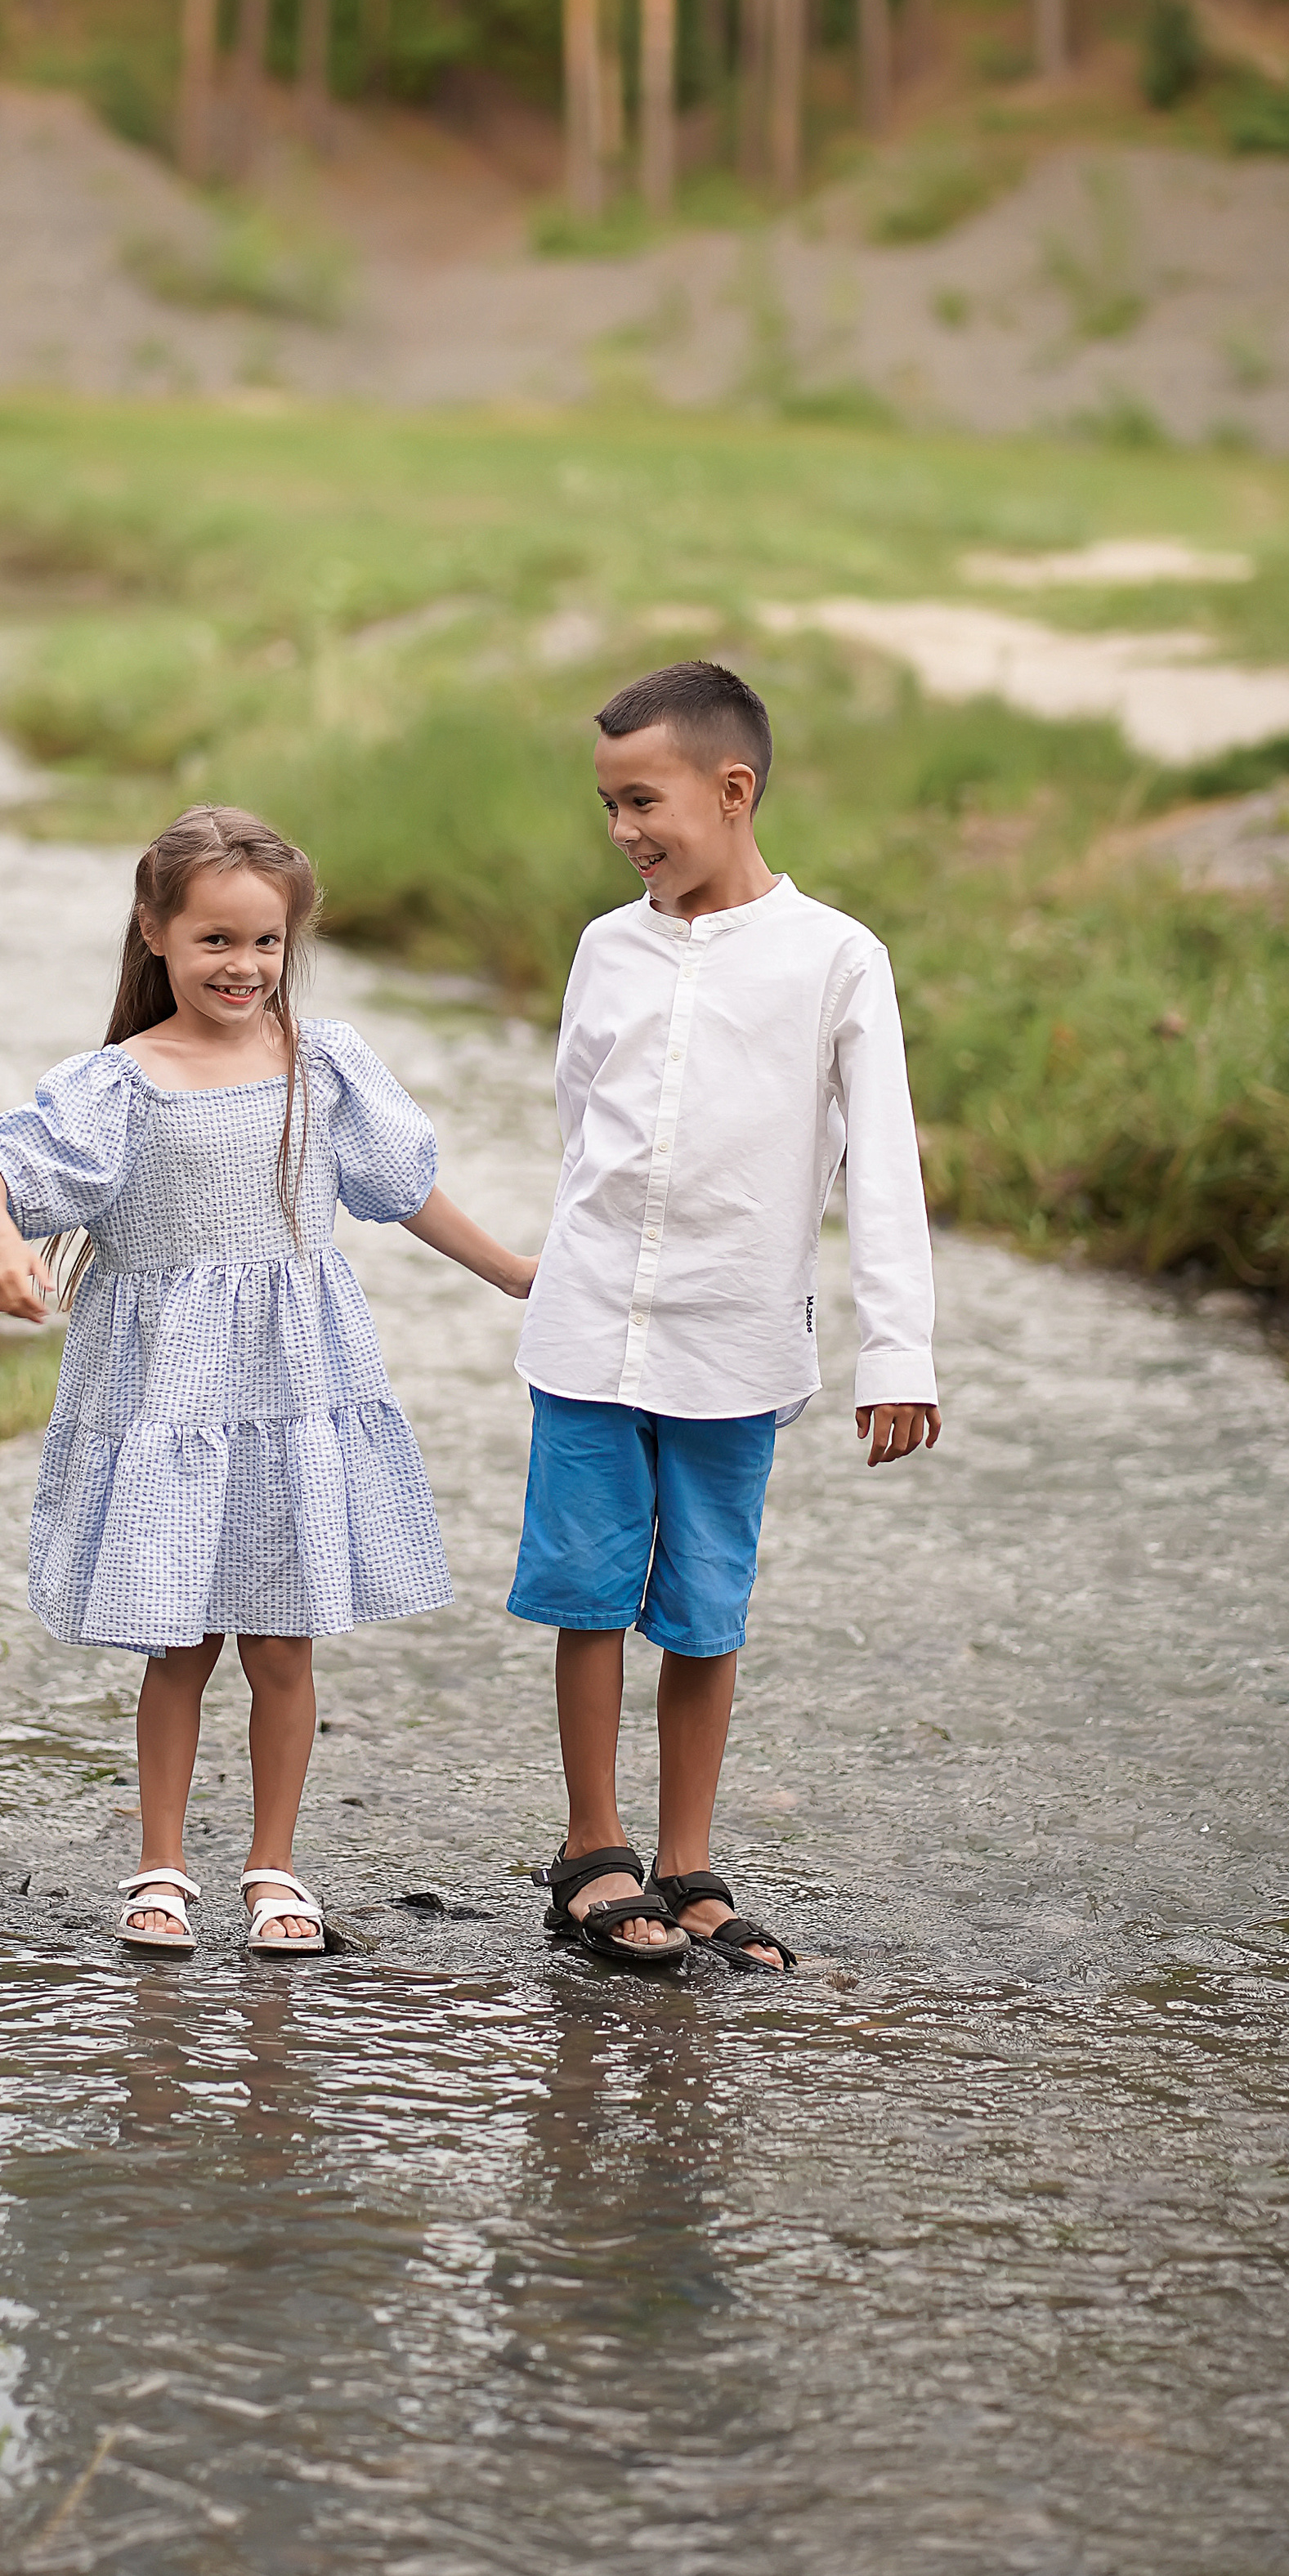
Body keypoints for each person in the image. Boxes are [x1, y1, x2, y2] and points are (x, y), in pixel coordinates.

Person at [0, 805, 535, 1958]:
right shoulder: (122, 1084)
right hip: (169, 1397)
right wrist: (3, 1250)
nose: (244, 966)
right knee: (178, 1642)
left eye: (266, 942)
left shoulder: (325, 1067)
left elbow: (405, 1194)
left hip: (290, 1391)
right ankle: (160, 1868)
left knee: (281, 1644)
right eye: (216, 940)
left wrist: (517, 1274)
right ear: (156, 933)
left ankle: (274, 1867)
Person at [508, 660, 940, 1974]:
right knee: (589, 1593)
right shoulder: (607, 948)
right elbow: (578, 1122)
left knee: (706, 1606)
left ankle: (688, 1863)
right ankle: (595, 1852)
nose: (623, 830)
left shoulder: (836, 959)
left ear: (734, 790)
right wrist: (570, 1260)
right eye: (609, 806)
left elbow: (883, 1161)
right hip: (591, 1327)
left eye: (644, 802)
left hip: (737, 1339)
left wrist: (898, 1353)